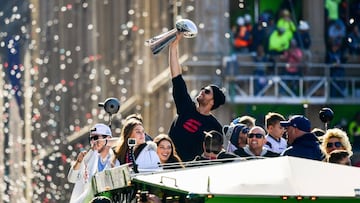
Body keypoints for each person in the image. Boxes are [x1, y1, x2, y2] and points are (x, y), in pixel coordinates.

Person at [168, 34, 226, 162]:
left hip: (193, 170)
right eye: (202, 89)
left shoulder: (214, 126)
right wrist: (173, 47)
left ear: (213, 102)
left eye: (206, 92)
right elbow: (176, 77)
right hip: (170, 165)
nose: (202, 92)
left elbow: (214, 154)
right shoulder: (186, 107)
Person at [67, 123, 120, 203]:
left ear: (108, 138)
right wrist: (78, 162)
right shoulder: (89, 157)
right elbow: (72, 179)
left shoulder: (116, 158)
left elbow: (125, 141)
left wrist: (106, 142)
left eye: (95, 138)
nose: (93, 141)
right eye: (91, 139)